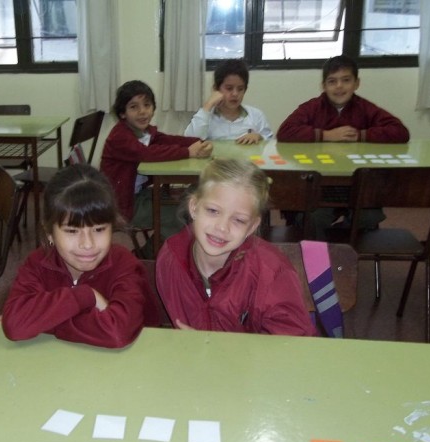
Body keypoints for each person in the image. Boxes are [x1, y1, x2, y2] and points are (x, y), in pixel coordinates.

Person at [2, 164, 160, 349]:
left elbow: (117, 334)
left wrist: (43, 323)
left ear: (112, 226)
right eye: (72, 231)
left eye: (99, 229)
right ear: (49, 233)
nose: (87, 244)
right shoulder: (37, 263)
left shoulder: (124, 264)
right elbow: (14, 326)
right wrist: (85, 296)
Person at [156, 158, 316, 336]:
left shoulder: (272, 273)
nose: (222, 227)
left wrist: (214, 347)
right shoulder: (171, 258)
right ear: (194, 207)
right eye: (213, 211)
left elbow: (294, 344)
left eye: (239, 220)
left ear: (252, 227)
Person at [277, 55, 410, 239]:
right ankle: (320, 250)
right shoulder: (312, 107)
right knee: (314, 218)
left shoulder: (365, 108)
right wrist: (326, 135)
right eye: (332, 81)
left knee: (369, 217)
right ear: (323, 86)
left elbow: (400, 132)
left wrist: (361, 135)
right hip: (320, 185)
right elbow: (285, 132)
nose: (339, 86)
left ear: (356, 83)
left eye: (346, 80)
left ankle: (341, 244)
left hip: (356, 184)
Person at [100, 80, 212, 248]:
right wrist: (188, 152)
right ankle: (155, 252)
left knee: (189, 200)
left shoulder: (144, 131)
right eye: (134, 107)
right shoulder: (120, 136)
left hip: (139, 194)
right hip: (123, 204)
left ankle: (156, 247)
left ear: (153, 108)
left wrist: (199, 142)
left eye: (147, 105)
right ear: (122, 113)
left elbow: (167, 140)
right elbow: (146, 153)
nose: (142, 111)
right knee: (179, 216)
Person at [185, 58, 272, 144]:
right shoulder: (206, 116)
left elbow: (270, 140)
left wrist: (259, 136)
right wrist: (208, 105)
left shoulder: (256, 115)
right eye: (229, 88)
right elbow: (189, 141)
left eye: (240, 89)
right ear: (216, 89)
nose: (235, 94)